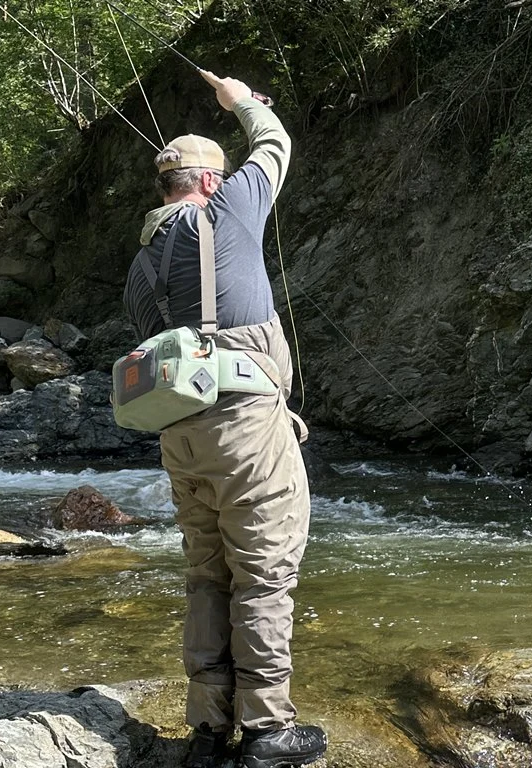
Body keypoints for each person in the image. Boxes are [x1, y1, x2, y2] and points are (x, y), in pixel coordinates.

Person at [123, 71, 326, 768]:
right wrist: (238, 100)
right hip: (244, 426)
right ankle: (269, 732)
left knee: (210, 577)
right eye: (225, 175)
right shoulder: (229, 208)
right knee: (264, 574)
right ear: (210, 182)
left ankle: (208, 731)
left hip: (179, 438)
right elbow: (274, 141)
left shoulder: (140, 264)